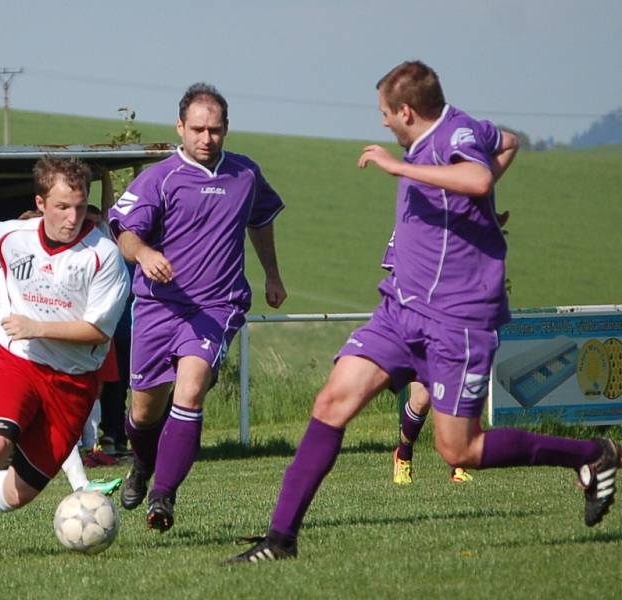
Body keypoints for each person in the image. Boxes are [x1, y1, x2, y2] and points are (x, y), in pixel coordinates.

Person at [227, 60, 621, 563]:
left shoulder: (451, 135)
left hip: (457, 320)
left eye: (385, 114)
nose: (383, 123)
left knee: (460, 451)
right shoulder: (463, 126)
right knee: (331, 403)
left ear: (407, 111)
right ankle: (279, 541)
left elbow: (478, 178)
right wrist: (469, 214)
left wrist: (401, 167)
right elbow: (508, 142)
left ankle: (592, 455)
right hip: (400, 308)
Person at [0, 156, 129, 565]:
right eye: (62, 207)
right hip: (17, 363)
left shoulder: (103, 256)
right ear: (41, 201)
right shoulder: (14, 236)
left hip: (72, 383)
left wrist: (37, 326)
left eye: (81, 207)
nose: (72, 217)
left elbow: (98, 330)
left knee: (20, 493)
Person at [108, 82, 287, 532]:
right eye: (198, 130)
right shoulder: (160, 178)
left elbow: (261, 221)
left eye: (216, 130)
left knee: (189, 392)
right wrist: (146, 255)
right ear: (180, 128)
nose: (207, 139)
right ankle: (143, 466)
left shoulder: (245, 175)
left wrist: (272, 274)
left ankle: (163, 498)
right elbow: (125, 233)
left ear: (226, 130)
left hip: (216, 306)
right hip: (156, 308)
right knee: (144, 412)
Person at [390, 211, 509, 485]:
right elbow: (397, 275)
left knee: (461, 393)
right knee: (422, 398)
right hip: (423, 320)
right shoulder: (412, 225)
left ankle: (457, 464)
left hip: (459, 321)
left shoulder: (466, 224)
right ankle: (404, 455)